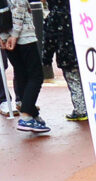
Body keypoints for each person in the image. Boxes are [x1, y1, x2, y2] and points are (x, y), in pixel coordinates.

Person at [1, 0, 47, 133]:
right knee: (36, 75)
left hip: (5, 34)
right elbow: (19, 6)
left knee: (22, 73)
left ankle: (31, 112)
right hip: (23, 35)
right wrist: (15, 34)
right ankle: (27, 116)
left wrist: (2, 35)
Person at [42, 0, 88, 122]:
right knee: (87, 81)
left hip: (66, 56)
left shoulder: (54, 15)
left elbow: (49, 40)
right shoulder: (79, 10)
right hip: (86, 54)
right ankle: (92, 106)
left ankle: (81, 110)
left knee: (74, 83)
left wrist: (46, 59)